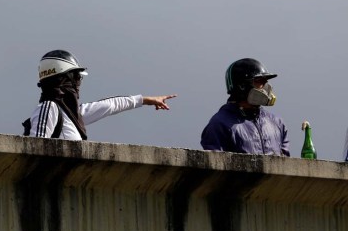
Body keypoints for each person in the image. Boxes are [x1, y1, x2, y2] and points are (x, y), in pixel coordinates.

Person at [24, 50, 176, 140]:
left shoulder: (72, 114)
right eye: (77, 77)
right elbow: (36, 149)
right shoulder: (48, 107)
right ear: (64, 79)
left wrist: (144, 100)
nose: (79, 83)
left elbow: (109, 106)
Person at [201, 58, 289, 155]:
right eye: (259, 81)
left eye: (265, 82)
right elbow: (214, 166)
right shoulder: (220, 124)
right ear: (241, 85)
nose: (265, 87)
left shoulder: (277, 123)